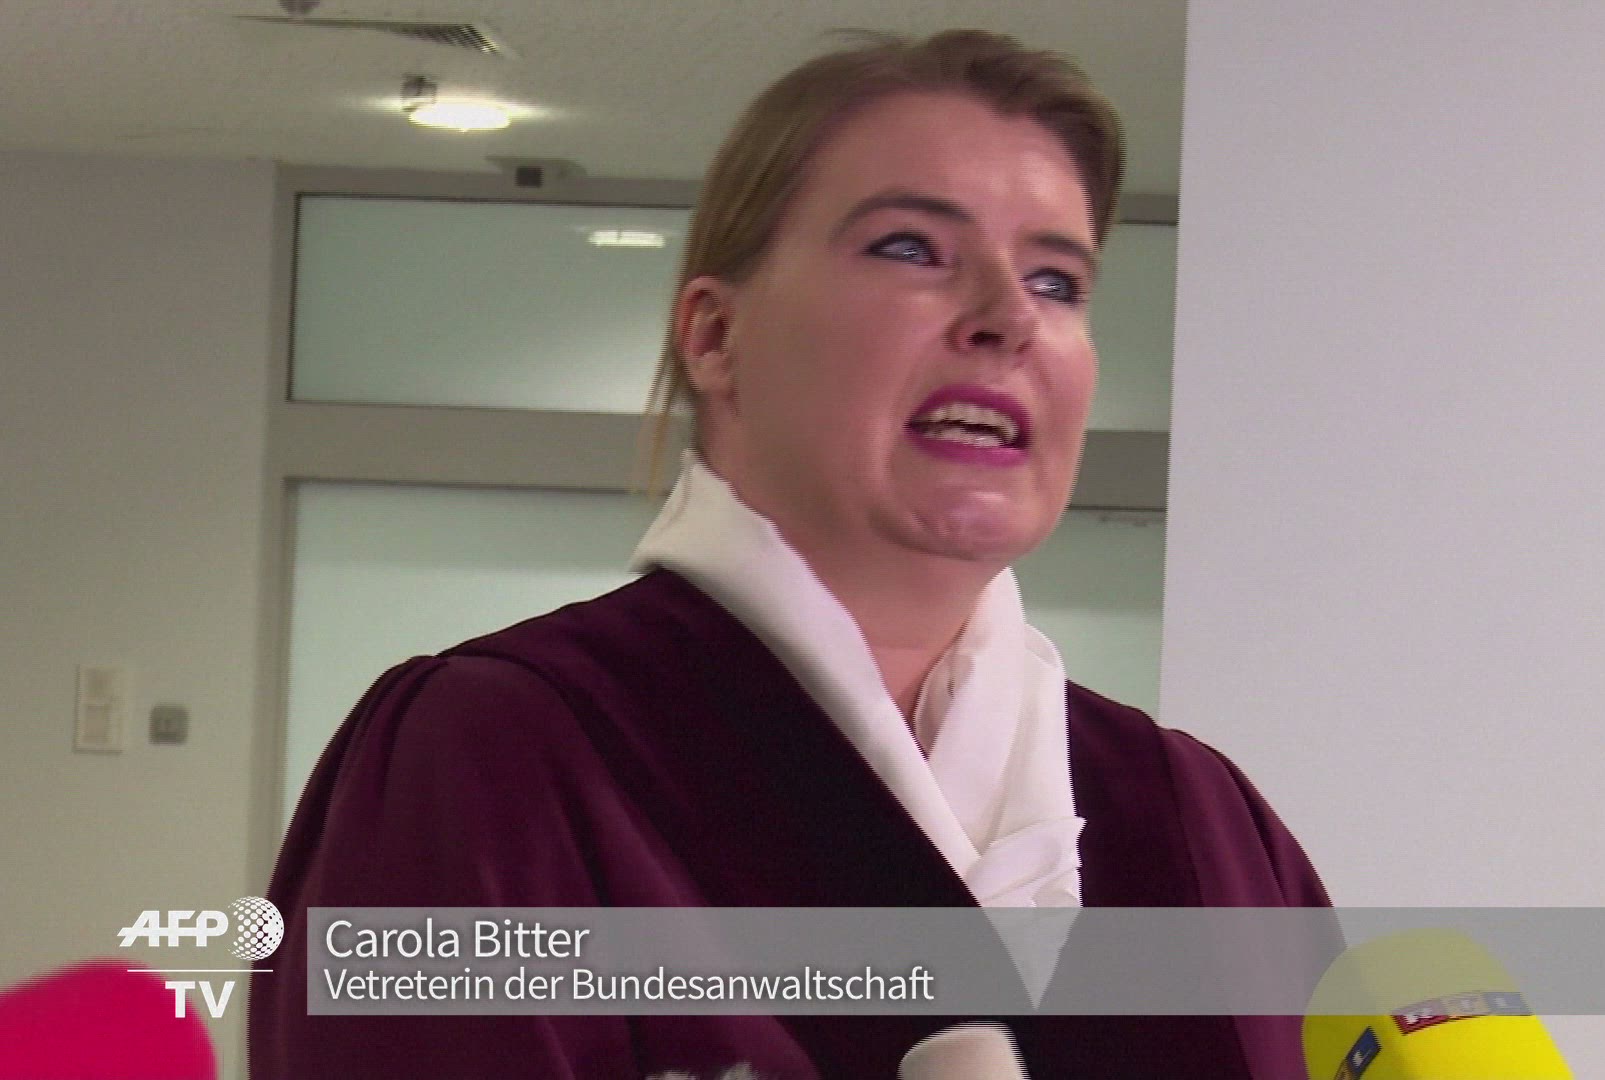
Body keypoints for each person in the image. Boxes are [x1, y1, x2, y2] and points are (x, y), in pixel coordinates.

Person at [251, 29, 1330, 1080]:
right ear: (715, 335)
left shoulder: (1200, 819)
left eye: (1057, 281)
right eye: (911, 249)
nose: (1009, 317)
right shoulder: (499, 756)